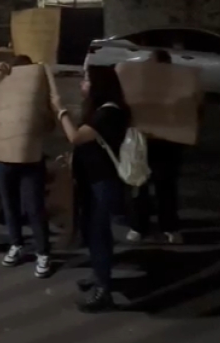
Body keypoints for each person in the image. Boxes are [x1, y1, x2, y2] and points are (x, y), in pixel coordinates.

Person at [51, 65, 130, 312]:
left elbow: (76, 137)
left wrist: (60, 110)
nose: (82, 84)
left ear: (99, 85)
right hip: (92, 180)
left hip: (103, 182)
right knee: (93, 231)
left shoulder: (108, 113)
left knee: (99, 234)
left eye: (86, 79)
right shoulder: (101, 111)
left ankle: (103, 292)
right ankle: (99, 276)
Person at [0, 55, 52, 279]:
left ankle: (43, 252)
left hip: (30, 159)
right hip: (3, 158)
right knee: (10, 206)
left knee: (34, 207)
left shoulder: (37, 90)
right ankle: (17, 244)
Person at [127, 49, 184, 244]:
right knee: (139, 185)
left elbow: (191, 112)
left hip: (168, 144)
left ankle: (169, 226)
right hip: (144, 143)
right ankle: (138, 226)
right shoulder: (142, 85)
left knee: (166, 187)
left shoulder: (179, 86)